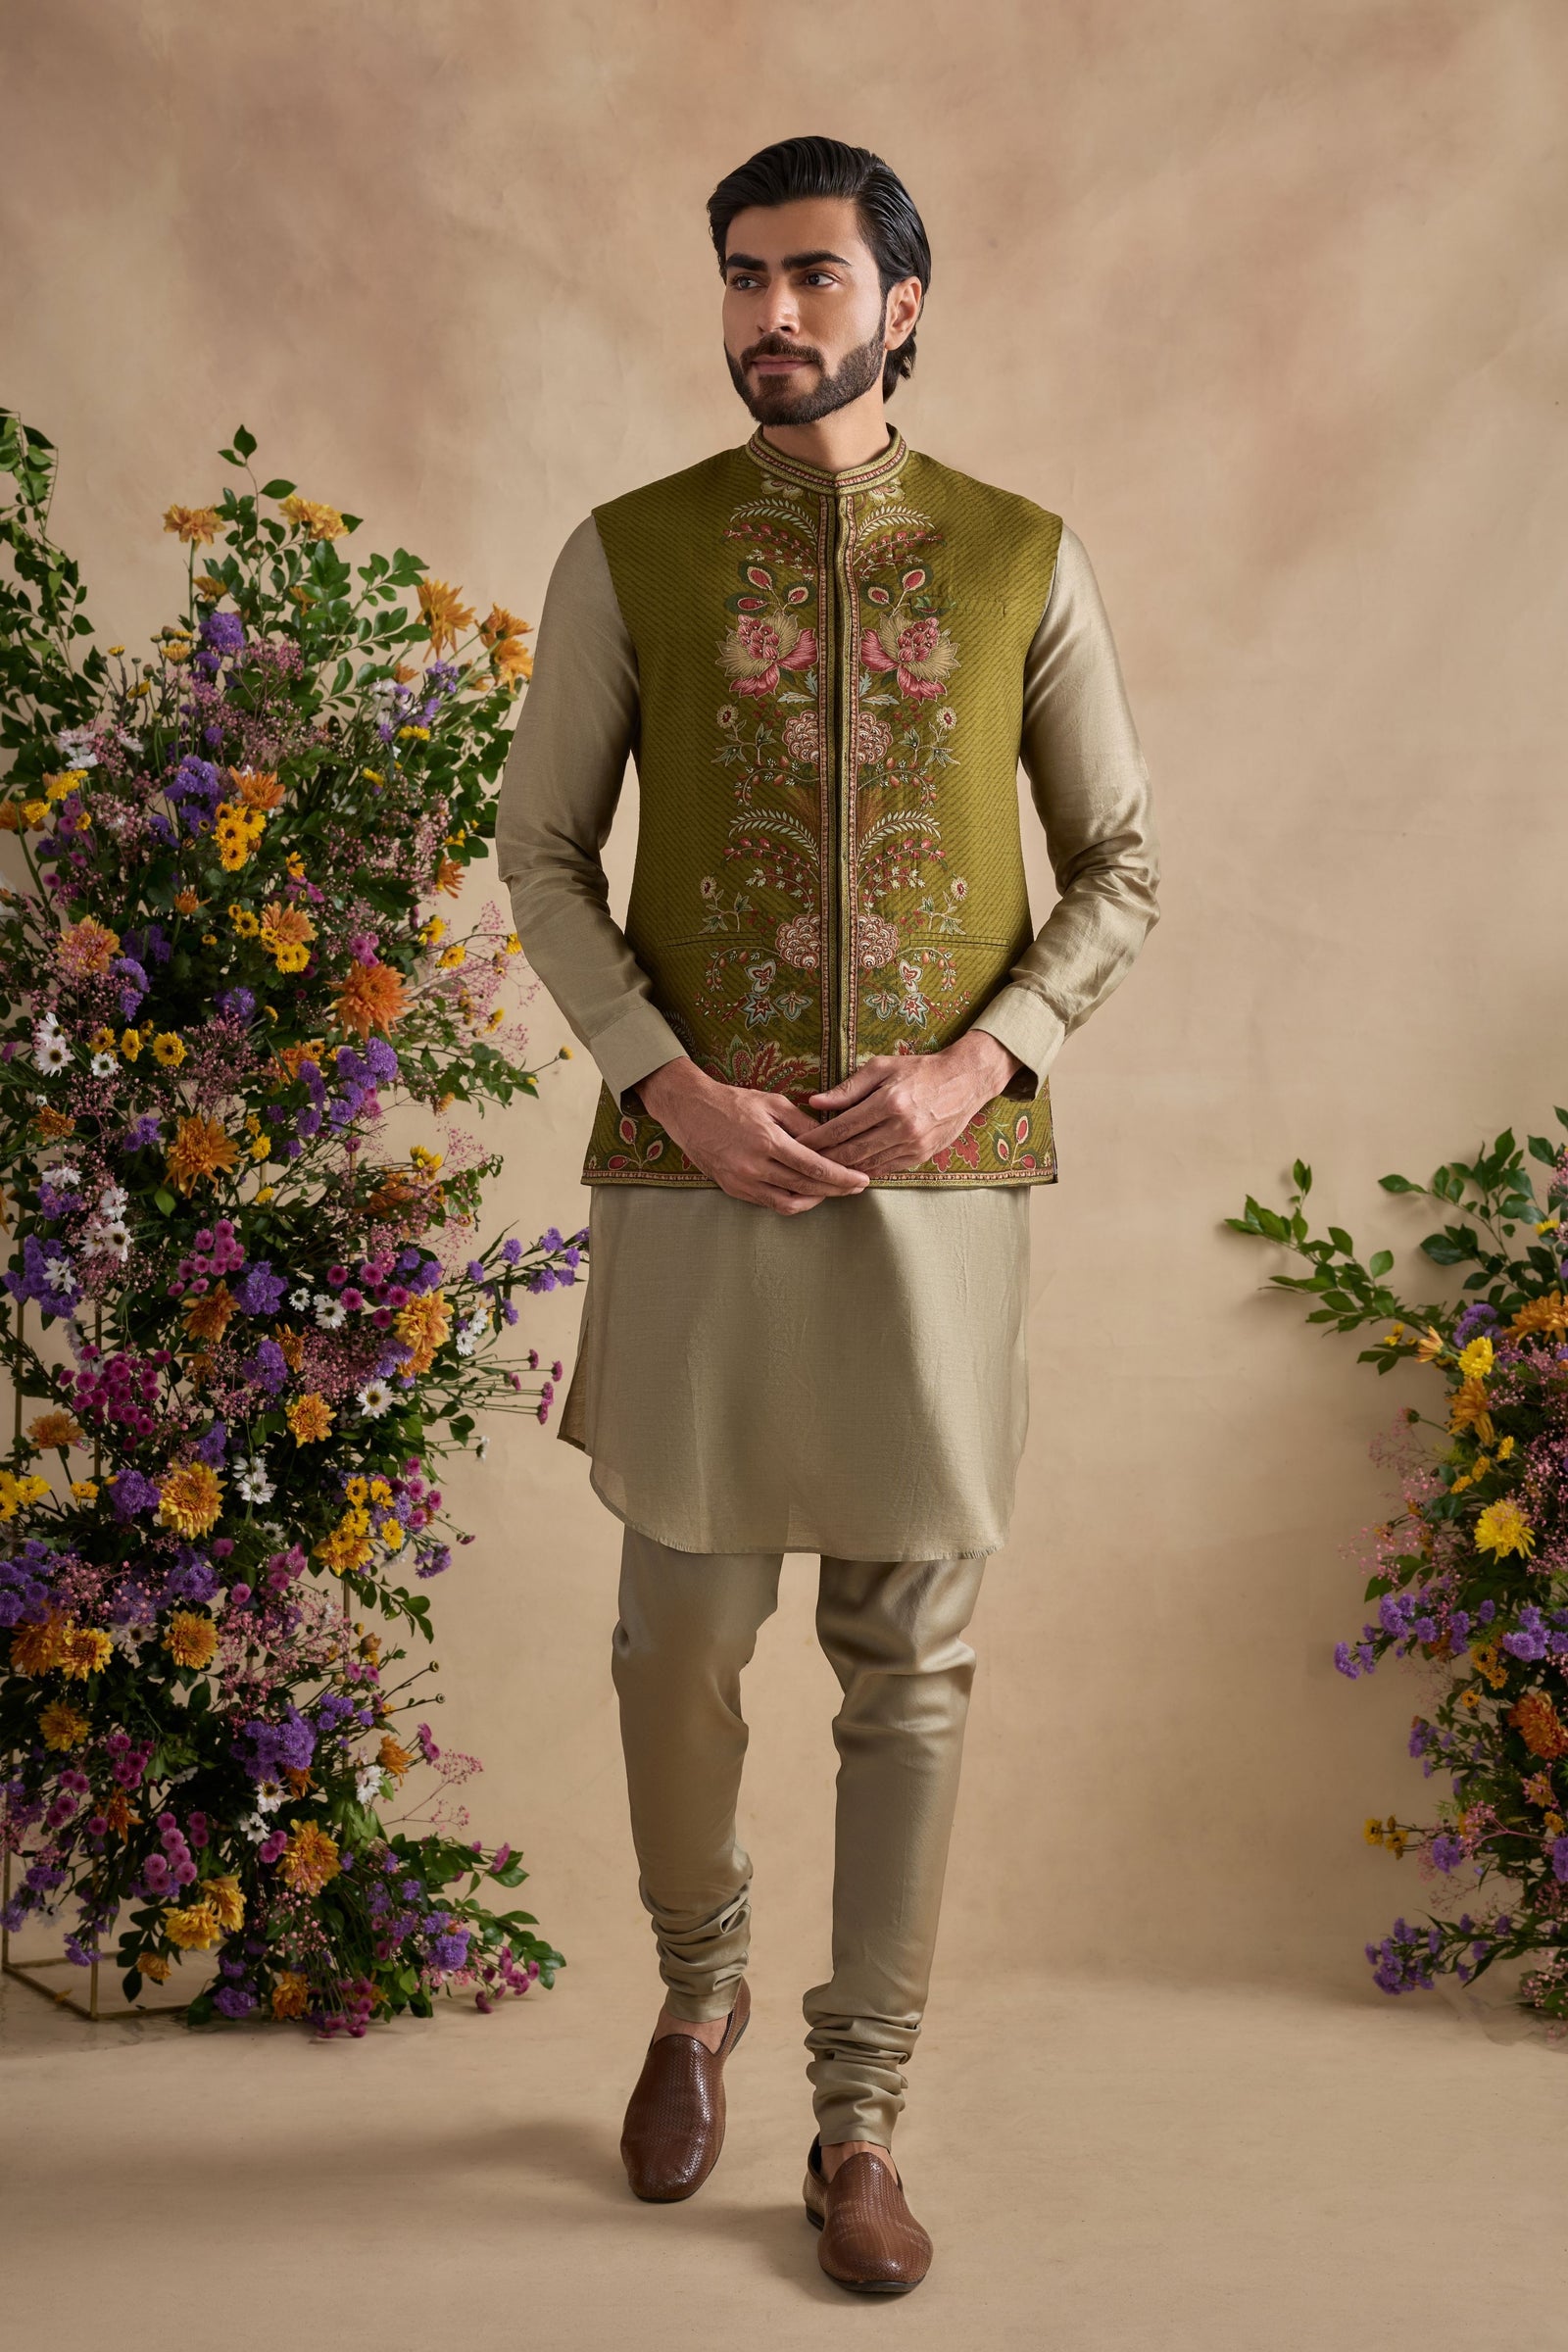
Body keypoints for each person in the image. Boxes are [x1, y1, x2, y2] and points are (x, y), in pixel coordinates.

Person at [496, 132, 1160, 2294]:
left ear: (903, 303)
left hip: (935, 1195)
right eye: (740, 275)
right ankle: (696, 1991)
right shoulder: (635, 551)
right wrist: (665, 1082)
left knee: (912, 1664)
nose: (769, 313)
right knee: (673, 1641)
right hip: (693, 1176)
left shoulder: (1018, 558)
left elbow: (1121, 868)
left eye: (811, 275)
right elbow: (539, 856)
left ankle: (859, 2114)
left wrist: (978, 1064)